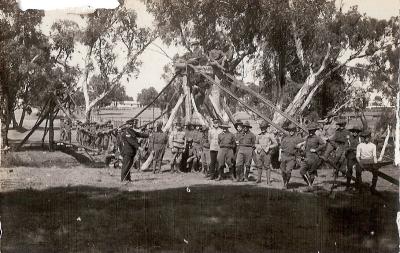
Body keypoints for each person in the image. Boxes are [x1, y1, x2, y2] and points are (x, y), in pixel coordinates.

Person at [299, 123, 325, 188]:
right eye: (309, 130)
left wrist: (316, 150)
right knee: (302, 171)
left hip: (314, 157)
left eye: (312, 130)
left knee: (311, 172)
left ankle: (310, 186)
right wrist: (303, 149)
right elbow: (305, 146)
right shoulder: (307, 138)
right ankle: (309, 184)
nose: (310, 132)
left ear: (314, 131)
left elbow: (323, 144)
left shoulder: (317, 138)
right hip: (306, 157)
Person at [279, 124, 304, 189]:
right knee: (283, 171)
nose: (291, 132)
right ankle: (284, 182)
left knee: (288, 171)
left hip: (291, 157)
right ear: (288, 131)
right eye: (290, 130)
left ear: (295, 131)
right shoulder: (285, 138)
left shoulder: (297, 138)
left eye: (293, 130)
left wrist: (301, 144)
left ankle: (286, 184)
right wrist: (279, 156)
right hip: (283, 156)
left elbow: (305, 141)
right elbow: (281, 148)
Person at [345, 125, 362, 191]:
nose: (355, 133)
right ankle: (348, 186)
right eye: (354, 131)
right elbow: (346, 147)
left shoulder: (360, 139)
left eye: (357, 132)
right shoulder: (349, 139)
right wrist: (351, 149)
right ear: (352, 132)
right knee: (349, 171)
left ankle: (358, 186)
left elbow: (362, 147)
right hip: (350, 156)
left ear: (358, 132)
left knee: (358, 171)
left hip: (358, 157)